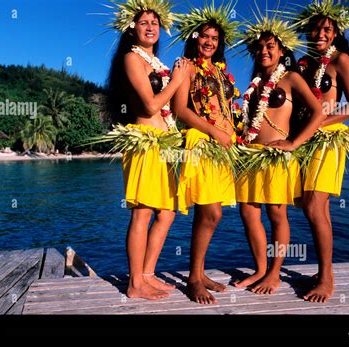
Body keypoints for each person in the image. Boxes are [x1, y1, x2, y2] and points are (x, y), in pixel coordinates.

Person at [232, 13, 325, 295]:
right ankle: (260, 269)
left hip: (277, 157)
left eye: (270, 46)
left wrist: (294, 143)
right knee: (248, 212)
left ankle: (274, 273)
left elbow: (318, 113)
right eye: (259, 47)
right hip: (251, 155)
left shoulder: (292, 78)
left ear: (282, 50)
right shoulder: (254, 84)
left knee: (276, 213)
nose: (264, 51)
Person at [102, 0, 189, 300]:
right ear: (132, 28)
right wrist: (177, 81)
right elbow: (152, 104)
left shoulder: (158, 64)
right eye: (143, 22)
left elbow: (171, 109)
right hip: (144, 142)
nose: (150, 27)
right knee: (142, 214)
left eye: (154, 22)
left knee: (166, 213)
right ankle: (134, 283)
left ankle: (147, 274)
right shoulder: (131, 59)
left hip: (164, 145)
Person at [293, 0, 349, 302]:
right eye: (316, 28)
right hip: (304, 140)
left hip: (327, 139)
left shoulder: (340, 60)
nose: (321, 33)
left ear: (335, 33)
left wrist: (322, 123)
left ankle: (327, 279)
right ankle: (324, 272)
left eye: (327, 29)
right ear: (308, 31)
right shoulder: (303, 63)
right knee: (312, 207)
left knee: (314, 206)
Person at [171, 2, 241, 304]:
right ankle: (192, 278)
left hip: (224, 147)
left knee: (210, 214)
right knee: (210, 212)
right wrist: (214, 131)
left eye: (214, 38)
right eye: (204, 36)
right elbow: (180, 108)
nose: (209, 41)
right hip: (203, 141)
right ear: (195, 38)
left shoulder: (221, 71)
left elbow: (229, 109)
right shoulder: (187, 65)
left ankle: (198, 273)